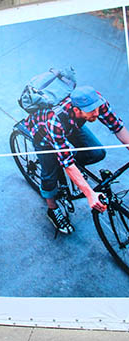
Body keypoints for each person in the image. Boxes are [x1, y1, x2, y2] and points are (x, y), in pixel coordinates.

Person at [25, 86, 129, 234]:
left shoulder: (97, 102)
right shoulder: (54, 120)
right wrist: (90, 194)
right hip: (44, 136)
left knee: (97, 152)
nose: (96, 113)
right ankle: (52, 208)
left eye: (97, 109)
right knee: (50, 174)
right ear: (76, 110)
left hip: (71, 127)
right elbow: (67, 163)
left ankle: (72, 170)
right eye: (91, 111)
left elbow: (118, 127)